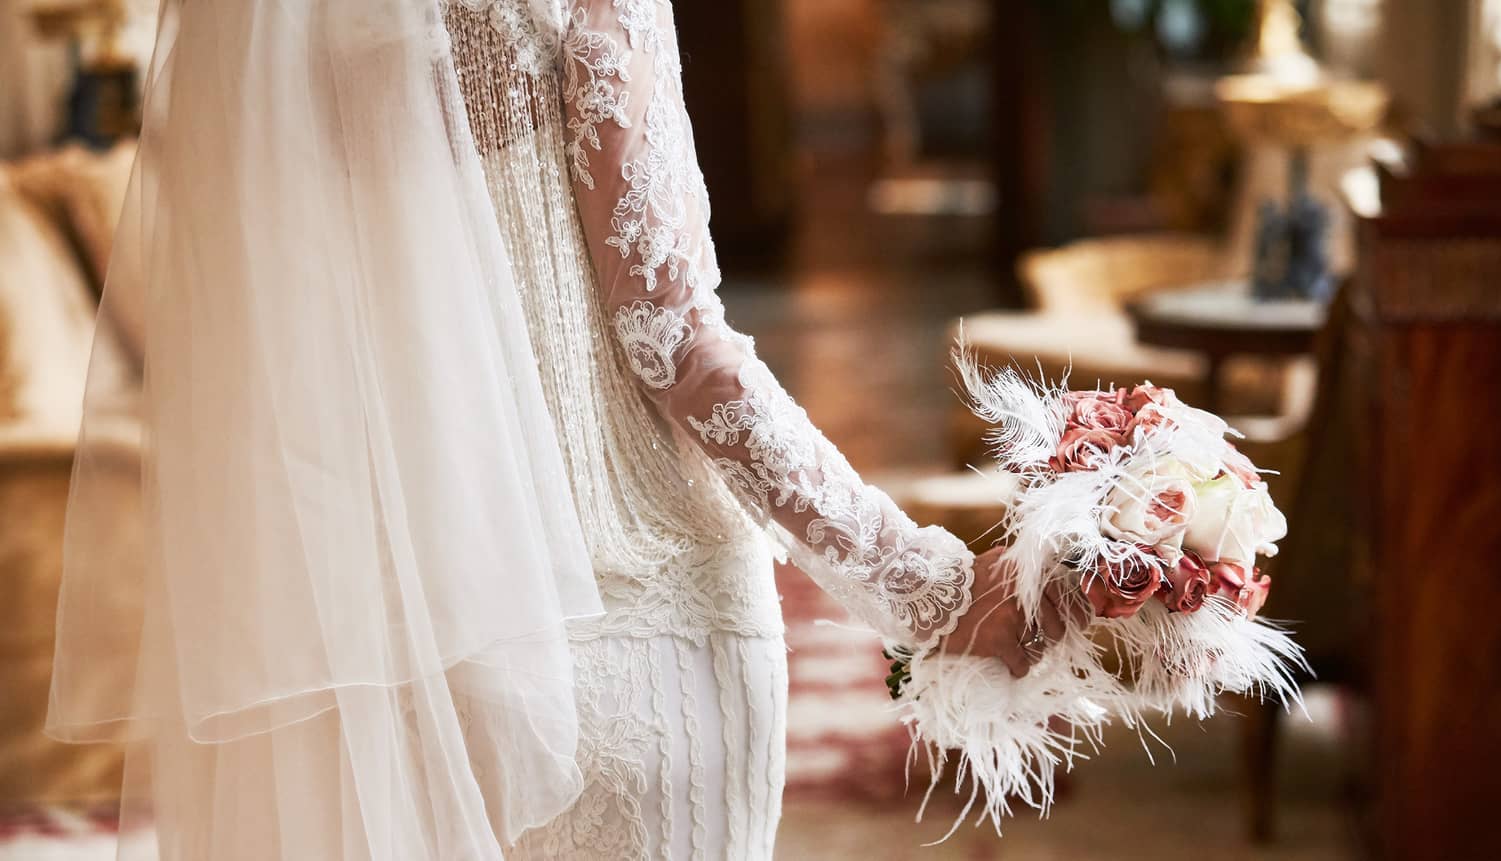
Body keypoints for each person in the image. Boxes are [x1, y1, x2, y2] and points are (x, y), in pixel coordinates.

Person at [47, 1, 1075, 858]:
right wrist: (926, 584)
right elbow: (678, 344)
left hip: (409, 645)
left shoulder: (278, 28)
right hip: (643, 624)